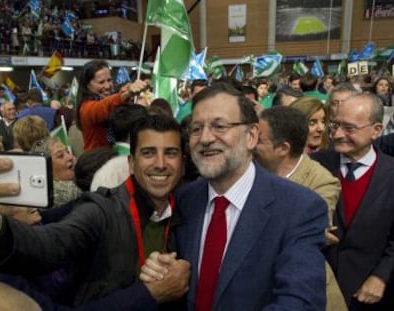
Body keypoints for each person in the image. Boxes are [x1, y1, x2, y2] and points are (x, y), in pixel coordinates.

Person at [142, 83, 328, 310]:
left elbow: (300, 303)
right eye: (197, 128)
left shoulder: (299, 208)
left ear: (251, 136)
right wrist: (160, 269)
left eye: (220, 126)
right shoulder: (182, 200)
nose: (206, 138)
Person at [0, 114, 190, 307]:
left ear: (182, 163)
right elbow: (49, 245)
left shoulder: (190, 207)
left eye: (171, 153)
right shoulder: (100, 210)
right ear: (132, 164)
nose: (161, 163)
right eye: (148, 153)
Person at [254, 106, 347, 311]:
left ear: (283, 149)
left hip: (298, 291)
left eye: (259, 140)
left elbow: (312, 233)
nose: (250, 143)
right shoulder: (248, 168)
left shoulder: (322, 182)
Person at [311, 93, 394, 310]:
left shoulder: (391, 173)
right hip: (319, 290)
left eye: (349, 128)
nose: (337, 134)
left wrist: (381, 276)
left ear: (376, 130)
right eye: (335, 125)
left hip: (372, 295)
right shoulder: (314, 166)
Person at [75, 59, 148, 151]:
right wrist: (126, 94)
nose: (107, 86)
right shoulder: (86, 108)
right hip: (98, 161)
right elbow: (103, 107)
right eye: (101, 82)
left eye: (109, 80)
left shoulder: (112, 98)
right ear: (87, 85)